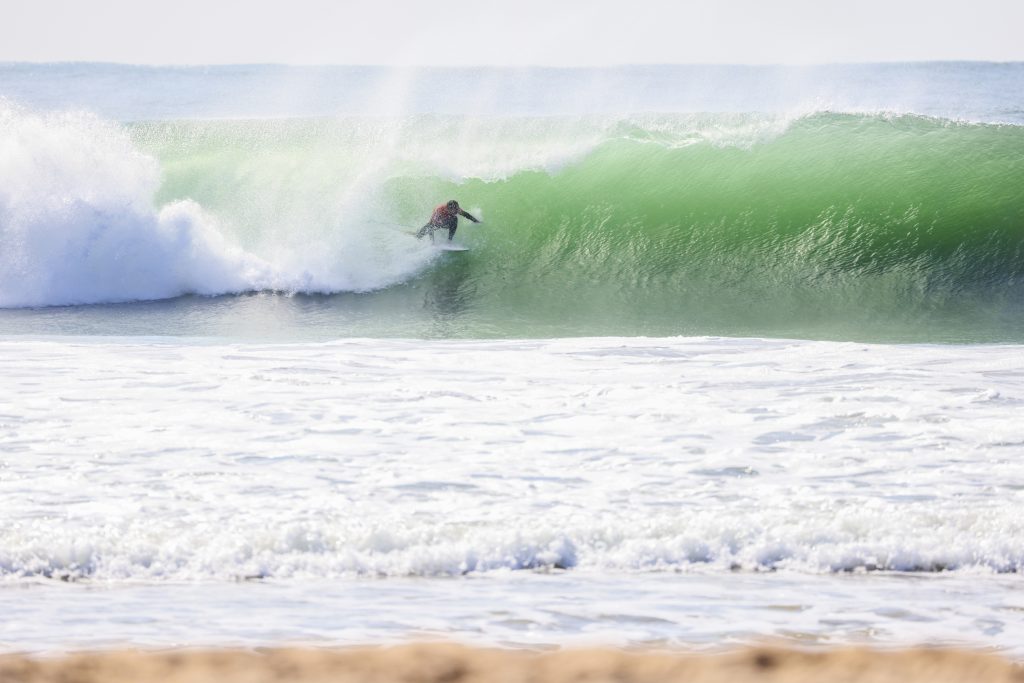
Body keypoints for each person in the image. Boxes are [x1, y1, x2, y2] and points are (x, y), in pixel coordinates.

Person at [415, 200, 480, 242]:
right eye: (453, 210)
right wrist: (432, 241)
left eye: (456, 209)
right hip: (438, 222)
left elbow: (466, 215)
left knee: (455, 219)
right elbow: (430, 225)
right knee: (424, 231)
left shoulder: (456, 209)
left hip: (447, 222)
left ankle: (449, 240)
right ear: (447, 208)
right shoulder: (439, 210)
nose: (455, 211)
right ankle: (418, 234)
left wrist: (476, 221)